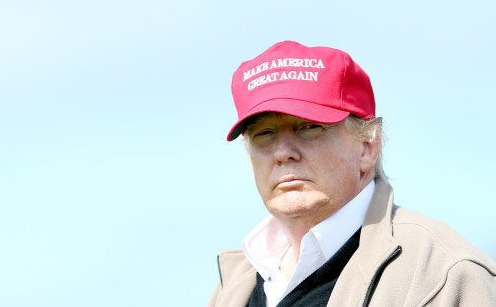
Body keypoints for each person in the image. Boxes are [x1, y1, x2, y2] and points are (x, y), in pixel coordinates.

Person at [208, 40, 495, 306]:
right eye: (264, 133)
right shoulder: (235, 283)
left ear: (367, 146)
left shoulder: (446, 275)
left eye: (309, 127)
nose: (283, 152)